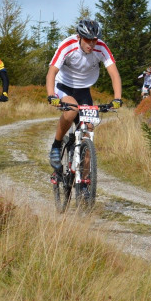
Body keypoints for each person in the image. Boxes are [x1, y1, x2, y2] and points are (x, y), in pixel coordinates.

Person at [45, 19, 122, 180]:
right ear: (79, 37)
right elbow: (51, 72)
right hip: (64, 86)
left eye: (94, 40)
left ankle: (85, 183)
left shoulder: (101, 47)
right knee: (72, 109)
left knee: (88, 131)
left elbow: (114, 73)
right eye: (87, 39)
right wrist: (51, 95)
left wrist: (117, 98)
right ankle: (56, 145)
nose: (91, 44)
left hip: (84, 90)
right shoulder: (68, 45)